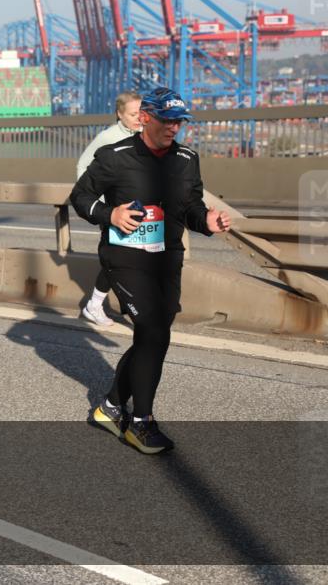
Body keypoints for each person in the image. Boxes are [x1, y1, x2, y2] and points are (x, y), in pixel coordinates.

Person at [70, 87, 231, 454]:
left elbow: (190, 205)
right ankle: (140, 423)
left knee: (151, 336)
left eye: (179, 121)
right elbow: (79, 197)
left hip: (166, 258)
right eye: (166, 120)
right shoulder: (114, 157)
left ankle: (109, 408)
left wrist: (207, 219)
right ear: (145, 118)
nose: (174, 127)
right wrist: (109, 214)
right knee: (154, 331)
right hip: (125, 258)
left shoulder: (187, 159)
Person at [76, 92, 142, 326]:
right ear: (119, 114)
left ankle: (117, 306)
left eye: (141, 113)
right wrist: (100, 203)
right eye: (133, 114)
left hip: (136, 208)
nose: (138, 118)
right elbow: (83, 165)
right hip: (113, 211)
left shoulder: (143, 135)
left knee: (132, 258)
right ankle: (98, 305)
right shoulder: (108, 138)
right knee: (117, 259)